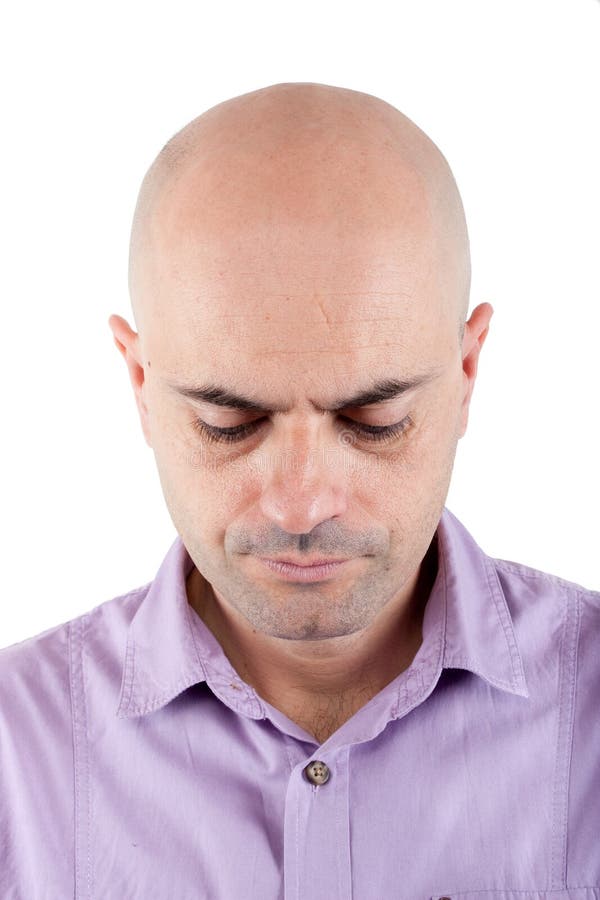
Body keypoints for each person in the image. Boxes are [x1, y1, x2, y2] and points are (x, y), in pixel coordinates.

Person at [0, 82, 598, 900]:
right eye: (228, 422)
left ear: (467, 374)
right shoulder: (14, 751)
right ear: (139, 381)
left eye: (375, 419)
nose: (302, 504)